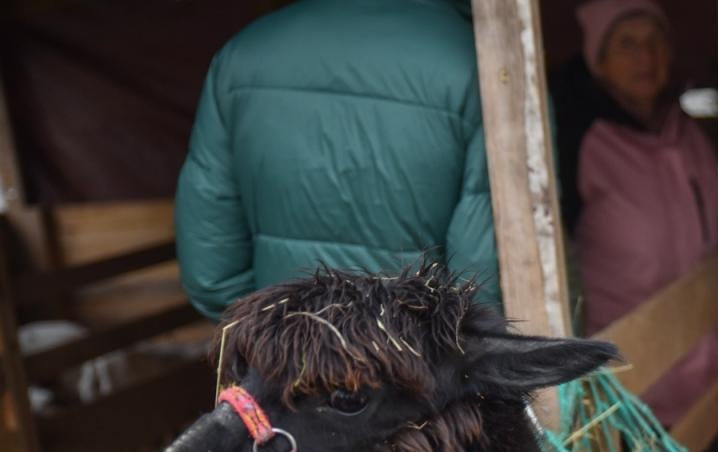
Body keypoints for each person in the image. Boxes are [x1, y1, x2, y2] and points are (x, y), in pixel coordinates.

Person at [175, 0, 499, 319]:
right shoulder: (479, 62)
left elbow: (210, 269)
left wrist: (276, 328)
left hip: (285, 356)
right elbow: (481, 275)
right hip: (419, 359)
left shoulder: (241, 56)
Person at [554, 0, 718, 426]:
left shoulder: (686, 132)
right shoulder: (580, 141)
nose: (646, 57)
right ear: (598, 60)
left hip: (709, 368)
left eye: (655, 42)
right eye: (627, 44)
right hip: (633, 386)